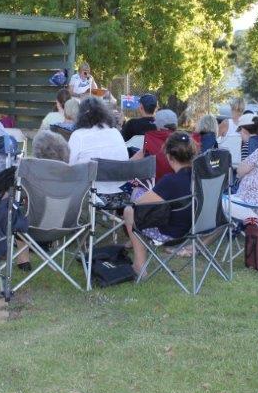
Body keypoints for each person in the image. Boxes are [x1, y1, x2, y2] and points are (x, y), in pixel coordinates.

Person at [122, 132, 197, 277]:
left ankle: (140, 265)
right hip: (192, 229)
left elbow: (138, 204)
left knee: (129, 211)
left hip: (169, 234)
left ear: (169, 156)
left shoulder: (170, 181)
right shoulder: (198, 177)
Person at [68, 97, 128, 194]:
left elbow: (69, 167)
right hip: (119, 192)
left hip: (90, 194)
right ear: (105, 113)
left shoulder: (78, 135)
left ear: (81, 115)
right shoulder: (115, 132)